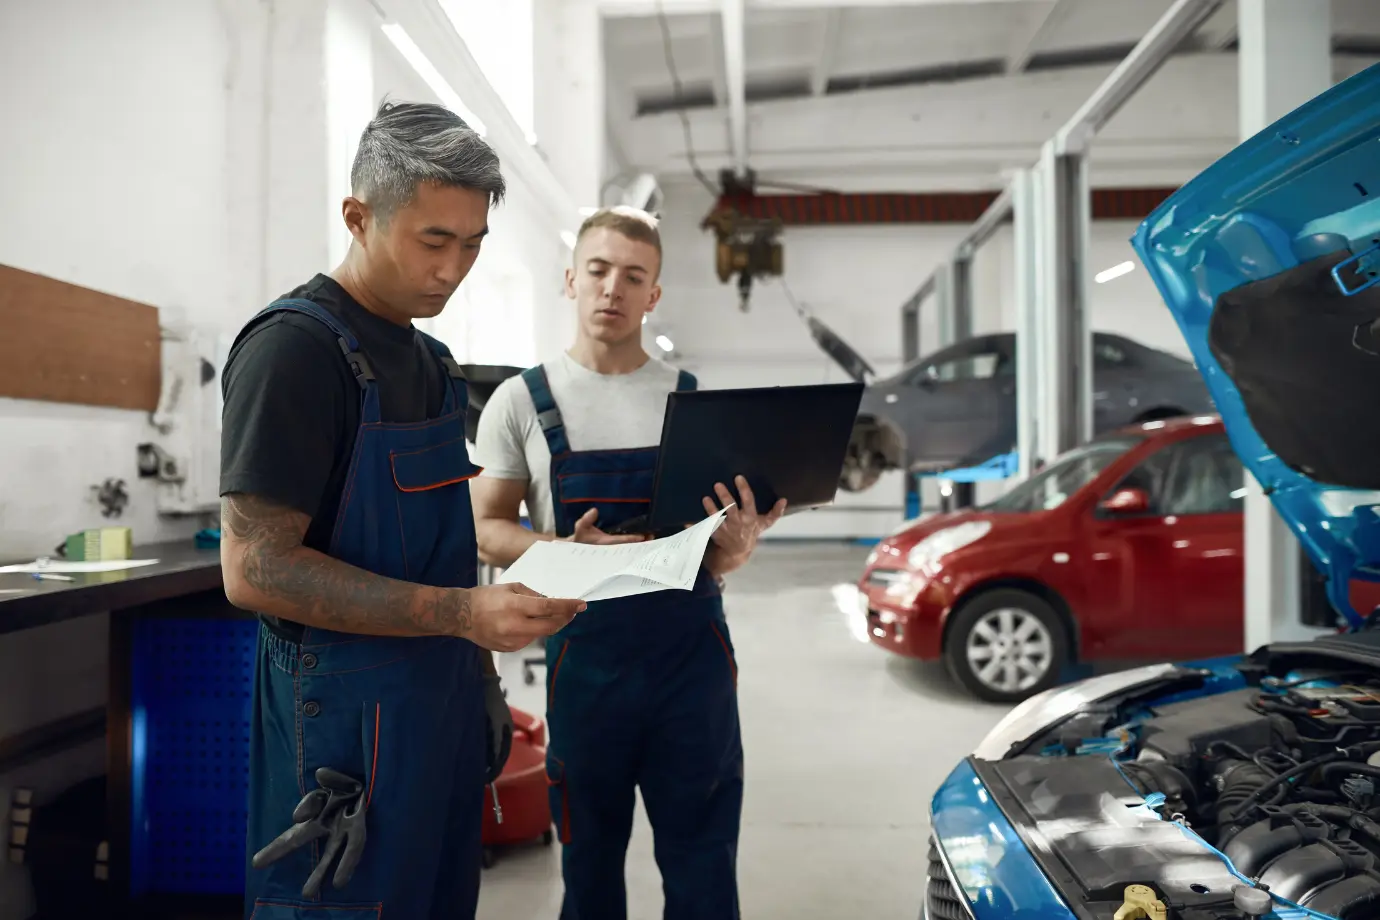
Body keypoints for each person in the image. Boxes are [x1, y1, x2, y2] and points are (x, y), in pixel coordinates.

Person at [218, 100, 584, 920]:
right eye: (433, 241)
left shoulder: (434, 364)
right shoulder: (294, 353)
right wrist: (461, 615)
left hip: (439, 707)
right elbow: (254, 569)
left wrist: (485, 670)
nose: (453, 268)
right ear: (358, 215)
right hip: (343, 732)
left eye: (472, 245)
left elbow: (444, 546)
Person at [471, 206, 786, 919]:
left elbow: (717, 545)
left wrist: (734, 551)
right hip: (587, 665)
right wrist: (560, 551)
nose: (613, 288)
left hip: (691, 667)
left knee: (703, 871)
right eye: (599, 270)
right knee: (589, 875)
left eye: (633, 276)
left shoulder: (695, 402)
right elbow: (486, 530)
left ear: (654, 296)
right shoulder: (520, 402)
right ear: (570, 280)